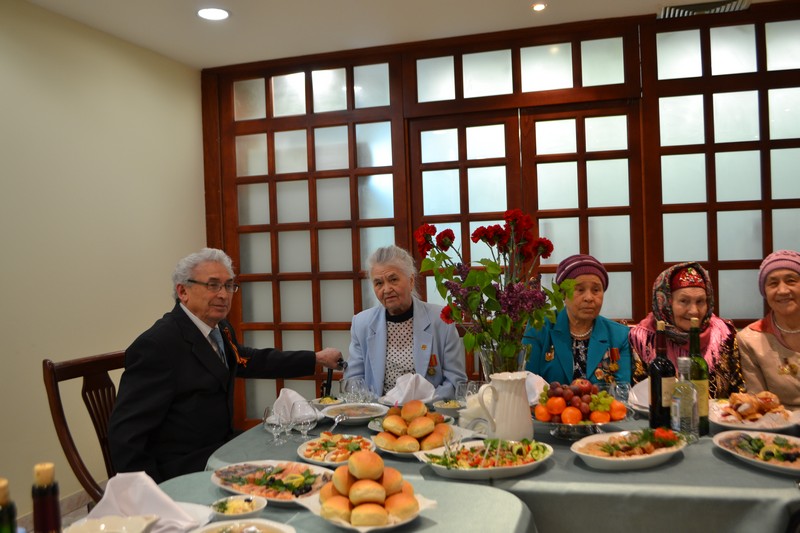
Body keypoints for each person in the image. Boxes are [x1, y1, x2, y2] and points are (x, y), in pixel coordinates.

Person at [108, 248, 342, 482]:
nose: (223, 294)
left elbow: (250, 360)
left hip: (223, 447)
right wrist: (149, 493)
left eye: (229, 286)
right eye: (213, 285)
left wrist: (315, 359)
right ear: (183, 291)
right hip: (184, 466)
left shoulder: (219, 329)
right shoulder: (157, 345)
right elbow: (126, 435)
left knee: (308, 454)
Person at [345, 245, 466, 401]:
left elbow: (456, 382)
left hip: (428, 410)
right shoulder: (362, 324)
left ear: (411, 281)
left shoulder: (441, 320)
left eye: (393, 279)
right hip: (378, 410)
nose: (386, 289)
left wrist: (422, 404)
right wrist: (382, 404)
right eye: (378, 283)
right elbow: (353, 381)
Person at [629, 261, 744, 399]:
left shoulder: (725, 335)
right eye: (684, 301)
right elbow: (638, 397)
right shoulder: (643, 339)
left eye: (700, 301)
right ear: (666, 303)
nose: (694, 311)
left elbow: (739, 392)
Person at [523, 254, 633, 385]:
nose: (589, 298)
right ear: (563, 294)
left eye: (596, 290)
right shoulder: (539, 327)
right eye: (580, 290)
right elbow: (527, 384)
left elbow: (622, 390)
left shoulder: (619, 335)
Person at [737, 250, 800, 409]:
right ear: (764, 291)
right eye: (773, 283)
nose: (783, 290)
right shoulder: (750, 339)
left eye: (791, 281)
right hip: (779, 422)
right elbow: (758, 403)